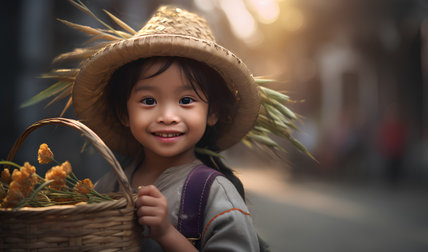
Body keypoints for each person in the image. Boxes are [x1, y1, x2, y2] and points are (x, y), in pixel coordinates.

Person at [34, 2, 309, 251]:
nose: (167, 115)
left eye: (186, 100)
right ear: (124, 114)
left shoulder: (214, 193)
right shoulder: (110, 185)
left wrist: (167, 234)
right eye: (149, 100)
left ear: (212, 113)